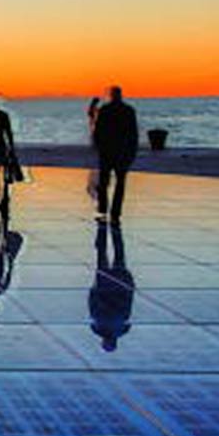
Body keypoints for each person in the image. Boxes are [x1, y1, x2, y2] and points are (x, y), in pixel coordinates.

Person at [93, 86, 139, 225]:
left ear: (111, 95)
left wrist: (99, 147)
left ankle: (103, 211)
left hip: (108, 151)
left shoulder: (105, 110)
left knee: (104, 183)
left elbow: (98, 132)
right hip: (121, 152)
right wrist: (132, 151)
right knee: (119, 183)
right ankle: (115, 213)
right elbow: (133, 134)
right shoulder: (128, 111)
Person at [89, 222, 135, 350]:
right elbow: (93, 304)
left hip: (117, 285)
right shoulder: (97, 327)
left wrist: (129, 286)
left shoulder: (121, 328)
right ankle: (103, 229)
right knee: (103, 253)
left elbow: (127, 306)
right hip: (106, 285)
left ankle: (110, 230)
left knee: (117, 252)